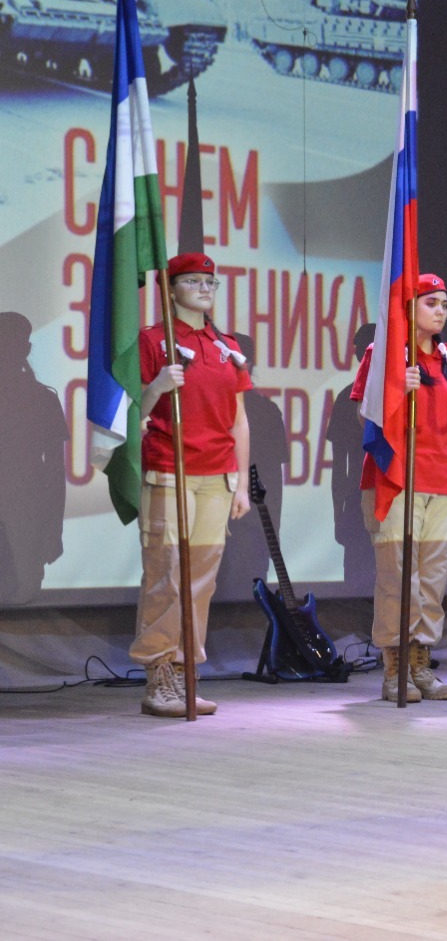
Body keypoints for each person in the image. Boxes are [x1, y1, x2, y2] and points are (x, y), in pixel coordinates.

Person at [130, 252, 252, 717]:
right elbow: (132, 413)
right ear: (170, 288)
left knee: (200, 581)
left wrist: (240, 483)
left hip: (217, 475)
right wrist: (158, 386)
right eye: (193, 281)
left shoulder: (225, 345)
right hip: (169, 469)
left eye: (210, 282)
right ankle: (159, 674)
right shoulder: (152, 341)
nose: (204, 288)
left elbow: (239, 419)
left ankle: (184, 673)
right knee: (166, 576)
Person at [349, 273, 447, 703]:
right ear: (409, 307)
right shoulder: (382, 354)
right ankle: (394, 667)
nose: (440, 311)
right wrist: (396, 389)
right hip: (396, 479)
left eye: (444, 304)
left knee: (432, 581)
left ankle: (420, 663)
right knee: (398, 578)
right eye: (430, 303)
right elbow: (364, 418)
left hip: (442, 481)